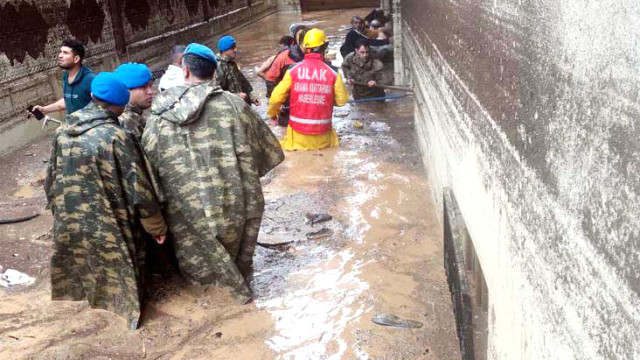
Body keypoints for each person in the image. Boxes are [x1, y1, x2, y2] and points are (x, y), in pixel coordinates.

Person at [141, 44, 284, 294]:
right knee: (240, 265)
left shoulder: (158, 116)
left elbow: (148, 172)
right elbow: (268, 156)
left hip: (186, 211)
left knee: (200, 274)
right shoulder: (236, 106)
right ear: (214, 72)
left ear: (185, 71)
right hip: (237, 203)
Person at [44, 72, 167, 330]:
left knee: (87, 262)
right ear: (119, 106)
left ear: (91, 97)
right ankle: (125, 309)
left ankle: (94, 302)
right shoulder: (116, 137)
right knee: (126, 264)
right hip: (112, 220)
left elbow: (51, 181)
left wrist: (60, 214)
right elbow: (140, 190)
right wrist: (156, 226)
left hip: (72, 220)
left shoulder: (63, 132)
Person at [268, 28, 349, 151]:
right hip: (324, 137)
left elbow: (275, 98)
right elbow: (342, 101)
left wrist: (273, 114)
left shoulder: (292, 70)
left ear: (305, 48)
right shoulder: (333, 72)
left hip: (297, 137)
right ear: (324, 47)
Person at [31, 39, 95, 116]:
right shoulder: (66, 76)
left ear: (76, 59)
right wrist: (44, 109)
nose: (60, 55)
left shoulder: (90, 79)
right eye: (61, 52)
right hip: (74, 124)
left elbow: (103, 105)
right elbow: (67, 101)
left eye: (65, 53)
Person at [262, 25, 309, 126]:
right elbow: (270, 80)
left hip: (308, 106)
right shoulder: (283, 57)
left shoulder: (316, 57)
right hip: (287, 107)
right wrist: (275, 112)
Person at [114, 63, 154, 141]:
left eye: (150, 86)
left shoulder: (133, 114)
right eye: (143, 87)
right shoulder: (127, 121)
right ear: (125, 90)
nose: (150, 92)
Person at [215, 35, 258, 105]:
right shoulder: (217, 67)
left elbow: (242, 82)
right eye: (232, 48)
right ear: (224, 50)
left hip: (241, 104)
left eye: (235, 47)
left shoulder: (232, 64)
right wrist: (235, 95)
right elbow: (216, 93)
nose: (235, 50)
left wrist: (251, 97)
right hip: (231, 107)